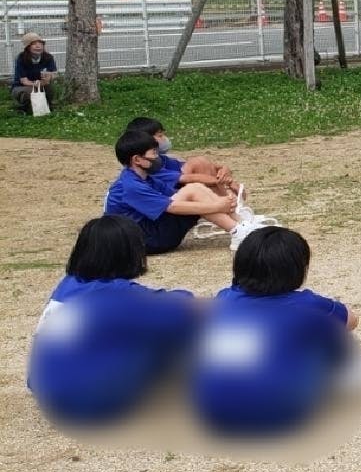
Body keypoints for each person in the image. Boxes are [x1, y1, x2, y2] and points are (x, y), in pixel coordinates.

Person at [189, 227, 361, 437]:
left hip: (212, 412)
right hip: (281, 412)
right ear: (298, 269)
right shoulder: (306, 303)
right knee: (327, 331)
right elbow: (351, 321)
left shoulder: (224, 298)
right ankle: (346, 373)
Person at [27, 216, 197, 426]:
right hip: (91, 401)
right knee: (175, 326)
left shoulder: (69, 284)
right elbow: (181, 310)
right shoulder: (120, 294)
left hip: (47, 394)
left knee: (137, 326)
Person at [105, 129, 258, 254]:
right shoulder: (130, 186)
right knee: (193, 189)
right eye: (153, 153)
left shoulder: (146, 178)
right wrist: (217, 206)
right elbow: (171, 206)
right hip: (144, 240)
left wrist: (220, 203)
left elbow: (174, 196)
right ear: (137, 160)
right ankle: (237, 231)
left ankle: (241, 224)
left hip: (149, 232)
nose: (157, 157)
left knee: (195, 188)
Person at [124, 117, 268, 223]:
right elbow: (188, 178)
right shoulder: (146, 168)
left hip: (166, 203)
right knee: (196, 180)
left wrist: (224, 170)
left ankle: (233, 215)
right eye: (160, 135)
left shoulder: (159, 160)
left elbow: (193, 167)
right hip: (163, 210)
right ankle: (233, 218)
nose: (165, 139)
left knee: (200, 165)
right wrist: (224, 183)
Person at [12, 32, 58, 113]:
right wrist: (36, 84)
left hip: (40, 84)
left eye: (40, 43)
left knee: (49, 88)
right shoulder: (21, 58)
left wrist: (49, 77)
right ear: (27, 47)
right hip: (21, 86)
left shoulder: (48, 57)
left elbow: (53, 73)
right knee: (30, 92)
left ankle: (47, 105)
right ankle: (25, 108)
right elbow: (24, 81)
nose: (38, 46)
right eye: (34, 44)